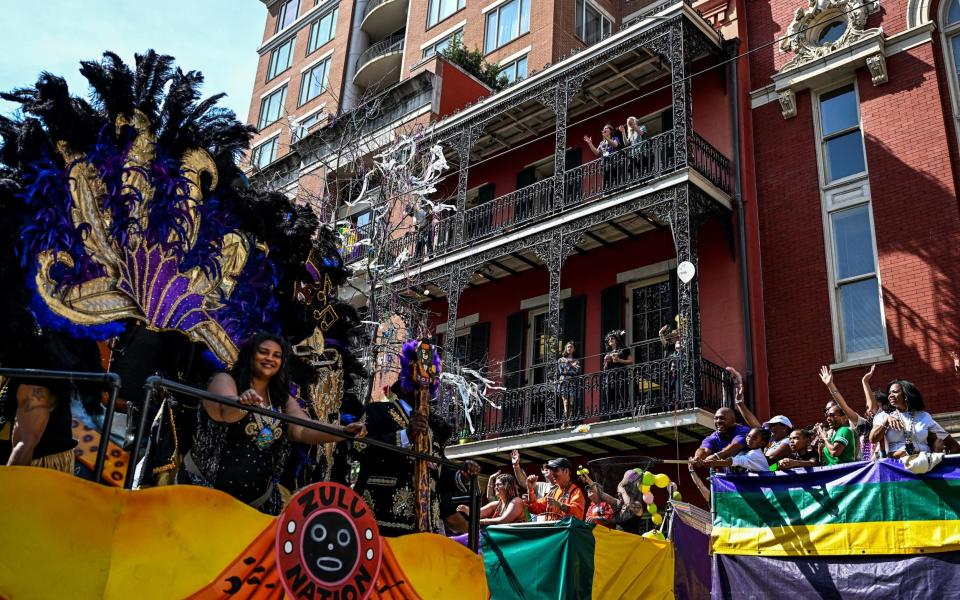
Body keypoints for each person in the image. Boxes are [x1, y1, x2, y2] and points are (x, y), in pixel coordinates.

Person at [179, 332, 362, 514]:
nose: (270, 359)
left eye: (277, 355)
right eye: (263, 352)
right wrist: (241, 403)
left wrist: (343, 431)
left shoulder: (281, 399)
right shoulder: (226, 380)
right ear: (250, 355)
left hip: (257, 507)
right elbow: (224, 411)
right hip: (206, 498)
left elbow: (304, 429)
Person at [869, 380, 960, 457]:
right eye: (889, 393)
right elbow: (873, 439)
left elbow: (954, 446)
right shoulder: (882, 416)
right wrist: (886, 421)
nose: (890, 395)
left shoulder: (924, 416)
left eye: (895, 392)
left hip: (924, 468)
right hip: (896, 470)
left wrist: (942, 466)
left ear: (906, 394)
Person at [726, 365, 792, 466]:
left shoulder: (789, 441)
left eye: (774, 425)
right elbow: (756, 427)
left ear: (785, 427)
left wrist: (744, 460)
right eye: (770, 426)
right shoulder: (770, 443)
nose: (770, 428)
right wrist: (739, 402)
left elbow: (770, 460)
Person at [458, 473, 526, 526]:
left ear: (507, 486)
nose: (495, 487)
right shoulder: (497, 504)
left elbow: (503, 520)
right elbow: (477, 514)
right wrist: (465, 509)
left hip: (517, 540)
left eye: (498, 485)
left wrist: (481, 521)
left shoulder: (516, 501)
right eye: (495, 485)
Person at [700, 427, 772, 472]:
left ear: (762, 443)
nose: (749, 439)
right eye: (749, 436)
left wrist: (715, 462)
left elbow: (735, 461)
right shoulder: (748, 451)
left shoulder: (755, 454)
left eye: (754, 438)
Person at [601, 331, 634, 415]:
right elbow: (604, 368)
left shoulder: (623, 349)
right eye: (609, 340)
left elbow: (631, 361)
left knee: (622, 392)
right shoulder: (608, 353)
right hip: (610, 376)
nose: (610, 340)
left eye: (612, 338)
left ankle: (626, 413)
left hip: (621, 374)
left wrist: (619, 360)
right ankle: (612, 414)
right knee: (610, 395)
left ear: (616, 340)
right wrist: (606, 361)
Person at [583, 124, 621, 191]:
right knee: (606, 180)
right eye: (604, 129)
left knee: (615, 178)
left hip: (614, 162)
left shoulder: (615, 138)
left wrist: (606, 138)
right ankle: (606, 192)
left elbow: (615, 145)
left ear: (610, 131)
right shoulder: (601, 143)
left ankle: (616, 190)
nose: (604, 129)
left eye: (606, 128)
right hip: (605, 164)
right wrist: (590, 143)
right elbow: (597, 152)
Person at [556, 341, 582, 425]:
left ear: (574, 349)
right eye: (568, 347)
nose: (569, 348)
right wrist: (571, 366)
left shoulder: (577, 361)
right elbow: (561, 372)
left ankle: (566, 421)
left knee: (570, 403)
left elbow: (577, 372)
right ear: (566, 349)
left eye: (571, 347)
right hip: (564, 383)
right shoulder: (561, 360)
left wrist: (570, 365)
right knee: (566, 402)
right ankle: (567, 421)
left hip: (572, 383)